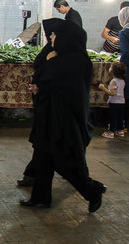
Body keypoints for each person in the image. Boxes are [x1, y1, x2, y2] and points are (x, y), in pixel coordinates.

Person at [21, 20, 106, 213]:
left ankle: (93, 191)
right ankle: (40, 198)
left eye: (54, 35)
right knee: (43, 158)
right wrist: (38, 86)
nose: (51, 37)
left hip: (64, 120)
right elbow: (43, 79)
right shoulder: (61, 56)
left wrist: (47, 71)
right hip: (50, 116)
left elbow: (61, 87)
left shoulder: (76, 60)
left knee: (63, 162)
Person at [17, 18, 64, 187]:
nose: (50, 37)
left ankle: (87, 184)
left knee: (47, 146)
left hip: (55, 108)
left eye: (53, 34)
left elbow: (57, 80)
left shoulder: (64, 55)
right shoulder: (51, 50)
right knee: (43, 145)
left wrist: (41, 88)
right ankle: (34, 176)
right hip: (45, 103)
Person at [98, 62, 127, 139]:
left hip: (114, 103)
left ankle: (111, 132)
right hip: (122, 102)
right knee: (120, 117)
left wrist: (103, 88)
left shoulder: (113, 81)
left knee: (112, 117)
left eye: (111, 67)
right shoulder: (122, 81)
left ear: (113, 71)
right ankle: (120, 131)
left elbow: (112, 93)